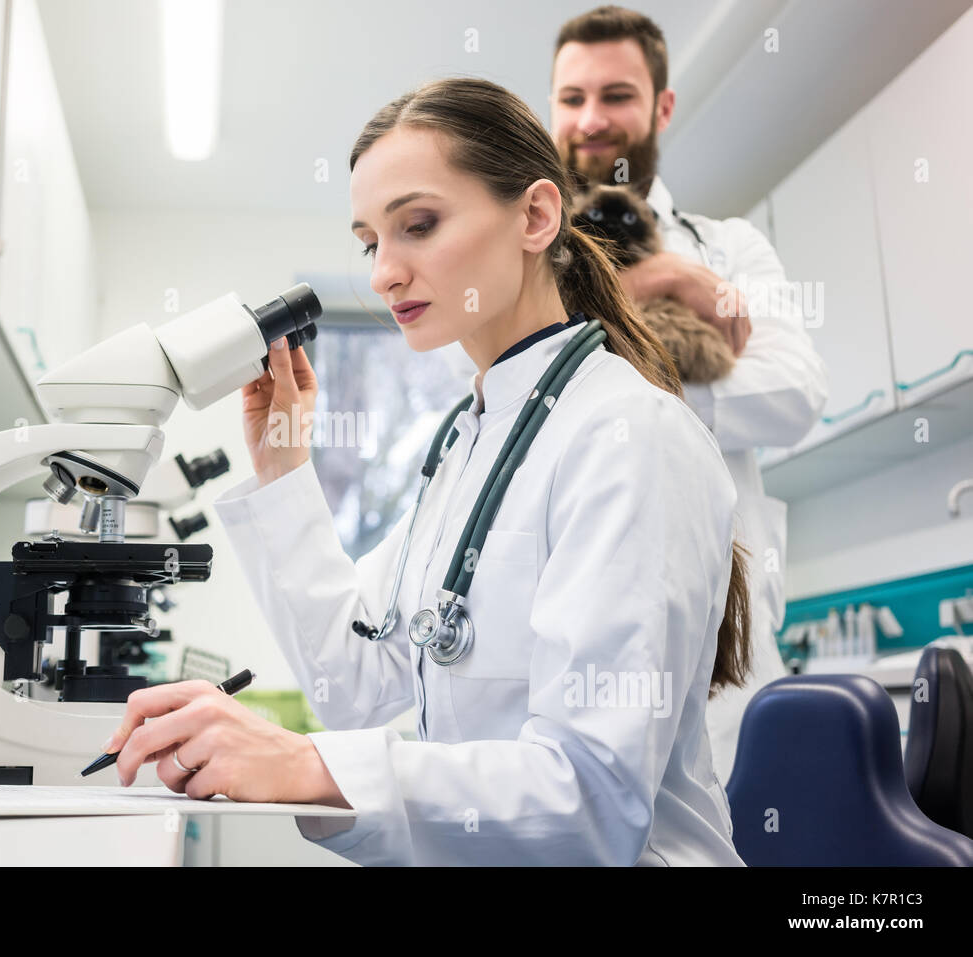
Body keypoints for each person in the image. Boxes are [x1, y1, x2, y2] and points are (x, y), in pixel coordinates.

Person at [103, 76, 752, 866]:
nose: (383, 273)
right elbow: (359, 687)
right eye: (371, 242)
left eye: (418, 224)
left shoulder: (629, 436)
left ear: (537, 216)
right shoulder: (470, 443)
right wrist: (282, 470)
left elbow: (590, 797)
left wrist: (304, 763)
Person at [549, 5, 828, 783]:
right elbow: (518, 385)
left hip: (725, 658)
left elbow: (795, 391)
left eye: (617, 94)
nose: (592, 118)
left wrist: (635, 369)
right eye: (572, 98)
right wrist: (662, 281)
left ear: (662, 106)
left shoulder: (729, 246)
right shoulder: (523, 255)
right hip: (568, 636)